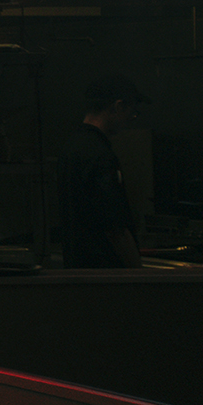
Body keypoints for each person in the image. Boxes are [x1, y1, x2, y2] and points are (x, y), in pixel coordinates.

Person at [55, 74, 144, 268]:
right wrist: (138, 272)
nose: (130, 120)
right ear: (118, 106)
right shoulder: (101, 155)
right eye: (132, 113)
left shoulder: (71, 148)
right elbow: (114, 226)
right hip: (105, 270)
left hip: (77, 268)